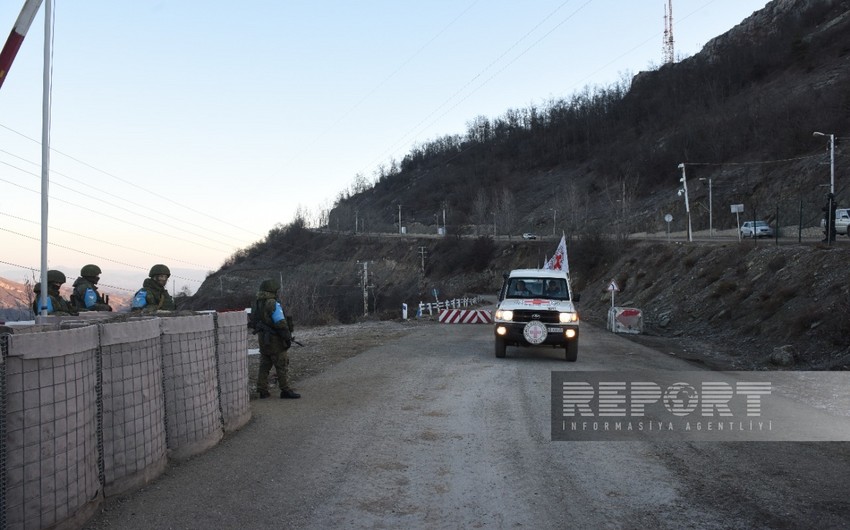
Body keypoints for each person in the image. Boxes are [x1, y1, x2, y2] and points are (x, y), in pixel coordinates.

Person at [251, 278, 300, 399]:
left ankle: (262, 390)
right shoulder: (272, 303)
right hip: (275, 340)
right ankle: (285, 390)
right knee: (281, 364)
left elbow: (253, 321)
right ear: (272, 290)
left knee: (265, 365)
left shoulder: (256, 303)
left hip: (263, 339)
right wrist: (287, 336)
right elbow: (280, 322)